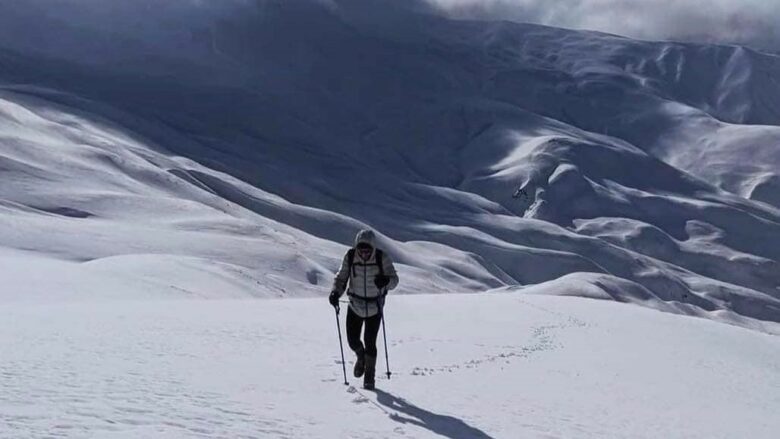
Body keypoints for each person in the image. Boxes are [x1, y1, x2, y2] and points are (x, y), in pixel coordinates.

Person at [329, 229, 399, 390]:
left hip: (375, 306)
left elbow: (394, 280)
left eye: (367, 250)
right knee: (352, 340)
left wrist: (386, 281)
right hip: (355, 304)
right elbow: (341, 277)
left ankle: (369, 377)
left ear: (373, 248)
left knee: (370, 341)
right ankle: (361, 357)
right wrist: (335, 292)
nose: (364, 253)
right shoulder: (350, 256)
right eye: (361, 250)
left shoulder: (382, 258)